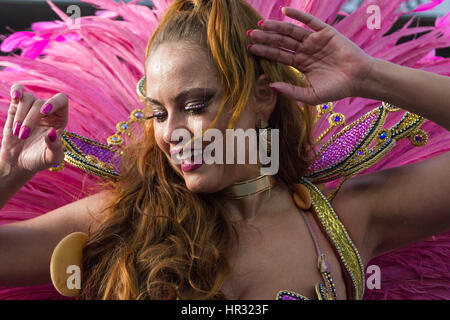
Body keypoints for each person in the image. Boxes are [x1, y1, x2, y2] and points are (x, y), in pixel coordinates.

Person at [0, 0, 449, 300]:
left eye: (194, 105)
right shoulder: (119, 217)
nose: (172, 132)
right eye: (158, 112)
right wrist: (10, 171)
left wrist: (366, 75)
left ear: (262, 97)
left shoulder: (344, 217)